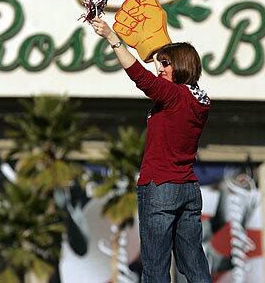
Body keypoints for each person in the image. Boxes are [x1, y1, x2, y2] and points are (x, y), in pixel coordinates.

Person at [90, 15, 212, 283]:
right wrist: (159, 47)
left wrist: (112, 37)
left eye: (166, 64)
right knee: (194, 264)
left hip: (160, 188)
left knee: (156, 268)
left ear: (180, 66)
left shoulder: (174, 96)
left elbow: (140, 76)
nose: (160, 67)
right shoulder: (196, 100)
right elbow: (157, 73)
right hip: (188, 189)